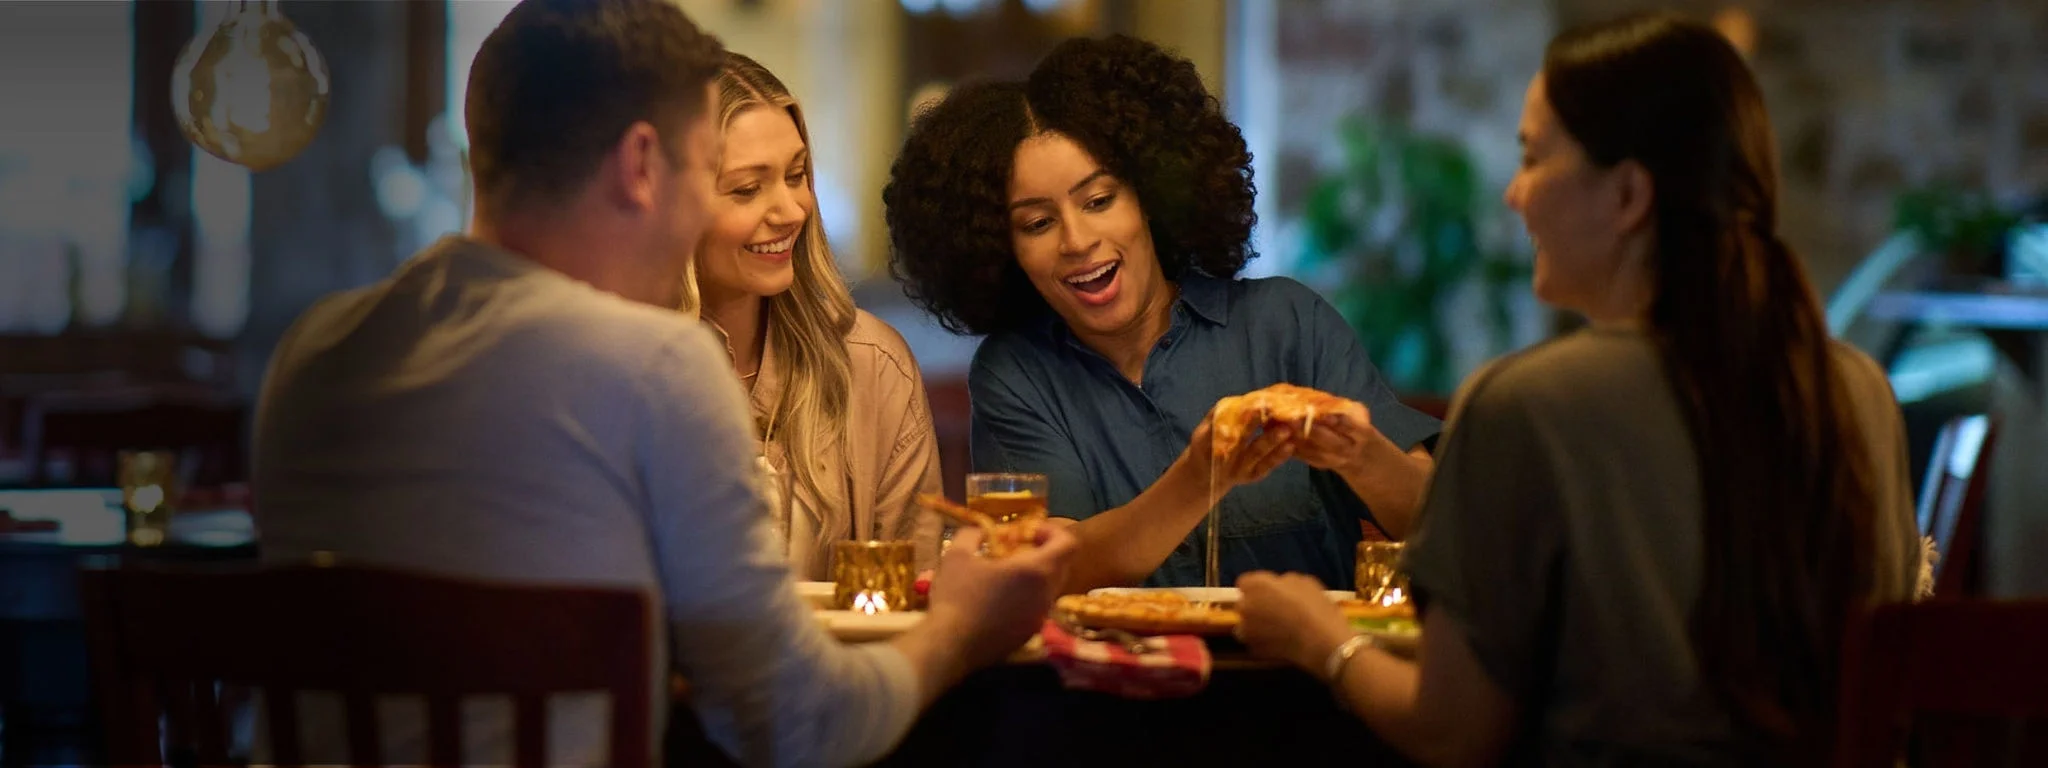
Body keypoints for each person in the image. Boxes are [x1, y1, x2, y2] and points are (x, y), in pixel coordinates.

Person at [250, 1, 1075, 765]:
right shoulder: (656, 367)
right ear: (643, 163)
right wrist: (965, 624)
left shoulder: (314, 353)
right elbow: (796, 725)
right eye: (706, 172)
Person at [1234, 13, 1925, 767]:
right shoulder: (1859, 391)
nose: (1514, 194)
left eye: (1533, 158)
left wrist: (1317, 637)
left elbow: (1452, 731)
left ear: (1628, 195)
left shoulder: (1527, 402)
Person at [883, 35, 1441, 593]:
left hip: (1302, 672)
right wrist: (1199, 477)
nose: (1077, 241)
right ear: (1002, 248)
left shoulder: (1286, 322)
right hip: (1109, 677)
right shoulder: (1017, 374)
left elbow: (1438, 530)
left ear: (1148, 196)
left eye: (1099, 201)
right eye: (1037, 223)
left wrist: (1363, 455)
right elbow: (1052, 567)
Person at [679, 52, 943, 578]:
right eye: (748, 189)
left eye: (796, 175)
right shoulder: (607, 372)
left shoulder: (872, 366)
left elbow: (916, 599)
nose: (792, 210)